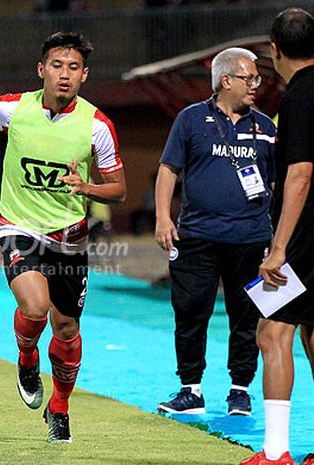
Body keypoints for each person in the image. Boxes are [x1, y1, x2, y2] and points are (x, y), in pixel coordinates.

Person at [0, 32, 126, 444]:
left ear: (84, 75)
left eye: (74, 68)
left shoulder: (97, 126)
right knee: (35, 306)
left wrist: (87, 188)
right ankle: (27, 359)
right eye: (57, 66)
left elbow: (117, 188)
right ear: (41, 69)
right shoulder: (13, 108)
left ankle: (60, 406)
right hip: (19, 226)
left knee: (66, 329)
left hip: (69, 239)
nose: (64, 75)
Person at [154, 47, 276, 416]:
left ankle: (240, 390)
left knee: (247, 316)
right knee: (190, 313)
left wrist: (279, 242)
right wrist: (162, 217)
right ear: (226, 80)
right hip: (196, 237)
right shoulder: (190, 120)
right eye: (249, 78)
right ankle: (190, 389)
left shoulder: (267, 128)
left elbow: (280, 184)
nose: (255, 84)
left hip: (252, 239)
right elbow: (168, 170)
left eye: (256, 78)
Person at [240, 8, 314, 465]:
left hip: (308, 236)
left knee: (271, 333)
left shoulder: (299, 97)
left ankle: (274, 452)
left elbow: (301, 173)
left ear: (274, 49)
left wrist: (281, 245)